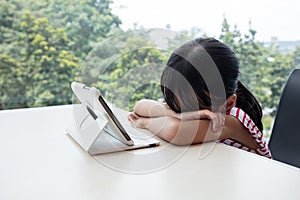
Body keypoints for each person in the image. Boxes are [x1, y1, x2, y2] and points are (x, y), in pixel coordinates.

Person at [128, 37, 272, 159]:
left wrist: (145, 123)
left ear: (228, 104)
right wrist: (176, 114)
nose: (189, 113)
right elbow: (140, 106)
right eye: (179, 106)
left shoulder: (232, 120)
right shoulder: (187, 102)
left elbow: (174, 131)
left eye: (193, 108)